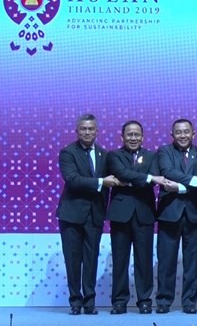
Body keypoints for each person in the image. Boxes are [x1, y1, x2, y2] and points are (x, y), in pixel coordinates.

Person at [107, 120, 175, 315]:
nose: (133, 138)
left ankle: (144, 300)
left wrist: (129, 181)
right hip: (120, 215)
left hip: (144, 213)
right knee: (120, 260)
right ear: (122, 137)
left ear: (143, 137)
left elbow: (149, 179)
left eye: (137, 134)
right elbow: (121, 172)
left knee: (144, 260)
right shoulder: (114, 156)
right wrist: (146, 178)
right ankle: (119, 301)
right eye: (129, 134)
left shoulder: (152, 156)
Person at [57, 113, 120, 315]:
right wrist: (102, 182)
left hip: (95, 214)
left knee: (91, 259)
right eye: (83, 129)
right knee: (73, 260)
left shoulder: (104, 154)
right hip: (71, 215)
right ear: (77, 131)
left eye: (90, 128)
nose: (87, 132)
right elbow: (73, 180)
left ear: (97, 131)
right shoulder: (67, 153)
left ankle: (89, 302)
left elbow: (118, 177)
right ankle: (75, 302)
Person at [155, 119, 197, 314]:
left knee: (192, 262)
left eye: (186, 132)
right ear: (172, 135)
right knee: (166, 261)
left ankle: (189, 302)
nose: (182, 135)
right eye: (178, 132)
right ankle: (164, 301)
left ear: (193, 134)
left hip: (194, 214)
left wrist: (178, 187)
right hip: (169, 214)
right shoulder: (164, 152)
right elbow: (168, 172)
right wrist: (191, 185)